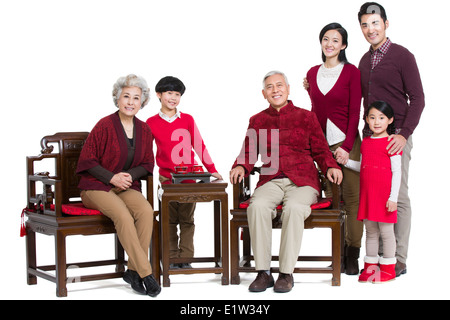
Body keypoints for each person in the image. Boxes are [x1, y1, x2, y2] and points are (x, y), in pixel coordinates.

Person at [230, 71, 342, 293]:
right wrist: (241, 165)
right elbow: (249, 153)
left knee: (294, 208)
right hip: (271, 179)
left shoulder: (306, 117)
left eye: (279, 85)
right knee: (258, 206)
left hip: (303, 180)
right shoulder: (258, 120)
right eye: (270, 87)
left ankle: (285, 273)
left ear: (289, 89)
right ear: (264, 94)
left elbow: (321, 150)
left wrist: (331, 166)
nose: (275, 90)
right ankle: (263, 273)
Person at [76, 74, 161, 297]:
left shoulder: (144, 129)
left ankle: (132, 272)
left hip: (126, 186)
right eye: (126, 96)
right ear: (117, 98)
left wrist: (128, 176)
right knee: (123, 216)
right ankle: (146, 273)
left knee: (145, 211)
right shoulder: (104, 125)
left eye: (136, 98)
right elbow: (87, 161)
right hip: (95, 187)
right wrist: (111, 178)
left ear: (142, 102)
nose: (131, 102)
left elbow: (147, 164)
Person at [357, 2, 425, 277]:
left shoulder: (402, 56)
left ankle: (398, 258)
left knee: (398, 195)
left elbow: (418, 99)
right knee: (373, 194)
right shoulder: (363, 60)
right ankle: (377, 256)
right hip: (369, 140)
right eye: (364, 24)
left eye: (375, 23)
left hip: (396, 138)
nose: (370, 29)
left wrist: (404, 135)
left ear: (386, 23)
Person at [146, 76, 223, 268]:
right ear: (159, 95)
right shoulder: (151, 122)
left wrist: (212, 169)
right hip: (167, 178)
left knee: (187, 219)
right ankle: (172, 258)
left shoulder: (187, 119)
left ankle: (186, 259)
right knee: (169, 220)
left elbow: (199, 144)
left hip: (189, 178)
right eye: (169, 93)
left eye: (177, 94)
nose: (173, 98)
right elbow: (147, 152)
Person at [305, 22, 363, 275]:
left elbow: (354, 113)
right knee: (332, 200)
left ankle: (352, 254)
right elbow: (315, 111)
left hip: (346, 142)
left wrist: (348, 148)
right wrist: (314, 146)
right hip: (321, 145)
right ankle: (337, 254)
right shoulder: (311, 73)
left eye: (335, 40)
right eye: (325, 39)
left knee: (352, 200)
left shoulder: (351, 72)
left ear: (344, 45)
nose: (329, 44)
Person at [354, 101, 402, 283]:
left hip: (385, 197)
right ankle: (370, 267)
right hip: (368, 196)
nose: (376, 122)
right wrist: (345, 162)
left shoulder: (392, 142)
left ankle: (388, 269)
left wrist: (393, 198)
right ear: (366, 119)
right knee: (371, 231)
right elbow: (364, 167)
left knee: (387, 232)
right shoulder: (365, 143)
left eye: (381, 118)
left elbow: (397, 172)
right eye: (372, 117)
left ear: (390, 120)